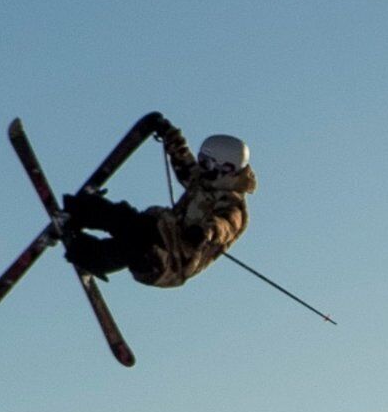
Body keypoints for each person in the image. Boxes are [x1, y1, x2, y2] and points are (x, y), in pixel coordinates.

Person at [61, 116, 255, 287]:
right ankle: (83, 210)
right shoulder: (204, 181)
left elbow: (226, 225)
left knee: (138, 241)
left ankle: (91, 257)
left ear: (226, 168)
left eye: (206, 163)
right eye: (201, 160)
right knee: (128, 220)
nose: (202, 167)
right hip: (162, 232)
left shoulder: (233, 204)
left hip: (170, 264)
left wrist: (204, 232)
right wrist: (169, 134)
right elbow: (184, 164)